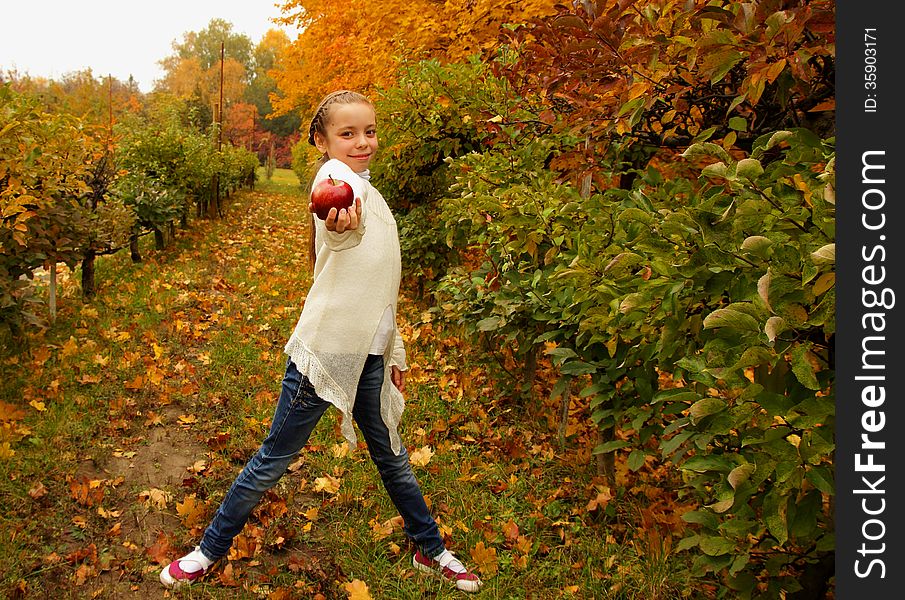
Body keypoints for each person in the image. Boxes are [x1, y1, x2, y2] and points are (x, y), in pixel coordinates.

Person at [159, 90, 482, 593]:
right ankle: (209, 549)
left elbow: (381, 279)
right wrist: (340, 230)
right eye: (347, 133)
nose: (362, 142)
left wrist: (391, 348)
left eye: (369, 131)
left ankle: (429, 548)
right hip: (328, 352)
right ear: (322, 140)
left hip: (369, 353)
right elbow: (339, 231)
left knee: (392, 458)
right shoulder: (335, 183)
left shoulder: (371, 191)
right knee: (274, 459)